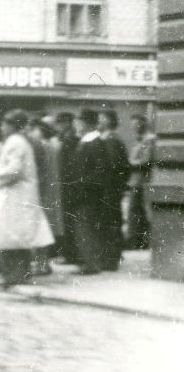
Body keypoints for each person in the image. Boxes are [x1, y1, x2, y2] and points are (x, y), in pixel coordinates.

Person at [0, 110, 54, 289]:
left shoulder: (15, 142)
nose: (2, 128)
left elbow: (13, 170)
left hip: (14, 197)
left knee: (9, 237)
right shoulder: (20, 141)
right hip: (18, 195)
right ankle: (17, 274)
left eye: (4, 124)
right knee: (18, 237)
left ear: (12, 125)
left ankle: (12, 276)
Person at [70, 110, 109, 275]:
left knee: (86, 229)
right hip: (85, 193)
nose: (76, 125)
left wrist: (81, 185)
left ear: (87, 123)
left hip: (88, 195)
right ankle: (89, 262)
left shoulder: (94, 142)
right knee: (84, 229)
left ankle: (91, 264)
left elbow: (99, 171)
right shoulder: (88, 141)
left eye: (78, 121)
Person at [26, 119, 63, 276]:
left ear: (39, 130)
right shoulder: (51, 146)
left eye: (31, 129)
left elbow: (40, 172)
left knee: (40, 228)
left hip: (44, 192)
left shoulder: (42, 146)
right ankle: (43, 263)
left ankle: (42, 263)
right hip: (51, 190)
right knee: (45, 228)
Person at [97, 109, 130, 271]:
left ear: (110, 121)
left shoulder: (111, 140)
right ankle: (111, 257)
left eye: (102, 118)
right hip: (111, 188)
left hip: (109, 189)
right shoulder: (110, 139)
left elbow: (112, 166)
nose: (99, 121)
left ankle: (110, 259)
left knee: (110, 223)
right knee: (110, 222)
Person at [53, 111, 81, 264]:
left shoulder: (69, 138)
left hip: (67, 185)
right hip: (67, 184)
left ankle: (70, 255)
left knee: (68, 221)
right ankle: (69, 254)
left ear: (65, 122)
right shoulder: (67, 136)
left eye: (59, 123)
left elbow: (67, 164)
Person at [126, 114, 154, 250]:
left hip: (142, 181)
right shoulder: (139, 140)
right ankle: (138, 241)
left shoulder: (149, 140)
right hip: (136, 181)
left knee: (139, 211)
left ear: (143, 124)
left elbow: (146, 161)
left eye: (136, 124)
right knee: (136, 212)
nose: (133, 127)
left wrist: (129, 163)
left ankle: (139, 241)